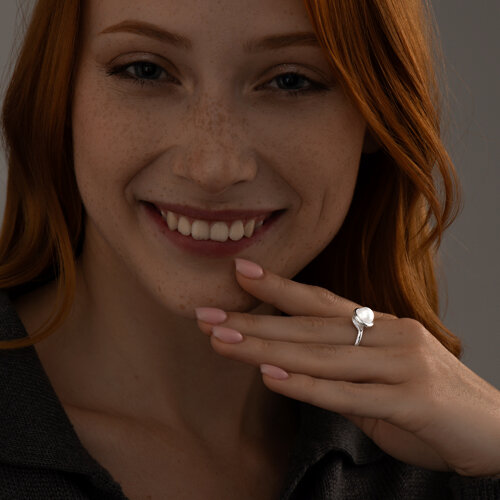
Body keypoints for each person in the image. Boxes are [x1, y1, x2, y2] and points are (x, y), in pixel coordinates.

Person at [0, 0, 499, 498]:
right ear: (60, 92)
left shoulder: (457, 458)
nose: (213, 168)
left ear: (375, 114)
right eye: (145, 70)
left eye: (290, 81)